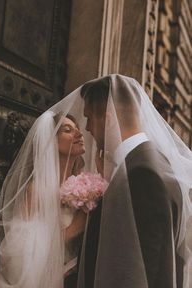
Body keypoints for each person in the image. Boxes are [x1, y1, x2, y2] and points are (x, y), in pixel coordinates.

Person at [77, 74, 192, 288]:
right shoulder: (153, 161)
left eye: (89, 118)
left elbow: (137, 269)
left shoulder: (141, 174)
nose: (87, 128)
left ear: (108, 119)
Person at [0, 111, 87, 288]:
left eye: (77, 129)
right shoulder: (37, 190)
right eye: (68, 130)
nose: (79, 134)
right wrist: (80, 223)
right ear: (51, 143)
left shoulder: (85, 185)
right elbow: (22, 253)